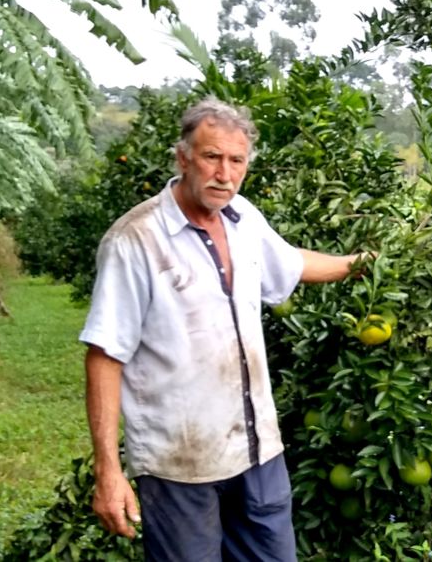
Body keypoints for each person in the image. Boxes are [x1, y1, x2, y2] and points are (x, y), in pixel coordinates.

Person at [81, 98, 368, 561]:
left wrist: (360, 266)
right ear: (183, 158)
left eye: (237, 161)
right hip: (181, 463)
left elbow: (290, 264)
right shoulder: (134, 240)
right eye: (212, 157)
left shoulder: (244, 219)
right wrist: (108, 471)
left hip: (257, 452)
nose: (224, 173)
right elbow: (104, 355)